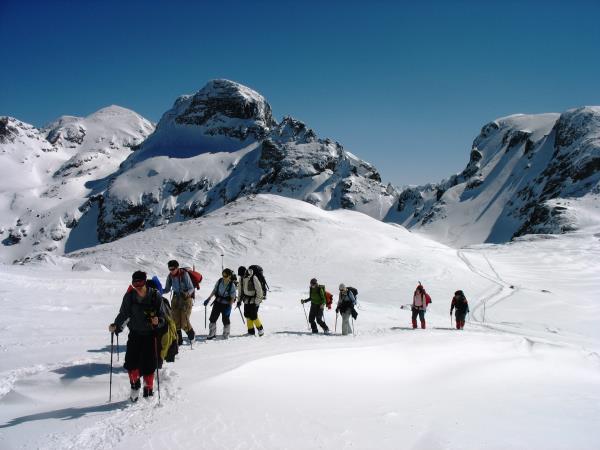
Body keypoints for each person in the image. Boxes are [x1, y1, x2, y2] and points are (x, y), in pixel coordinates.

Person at [108, 271, 166, 401]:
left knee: (149, 364)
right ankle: (135, 386)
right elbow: (123, 314)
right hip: (135, 334)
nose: (138, 285)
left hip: (150, 334)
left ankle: (148, 388)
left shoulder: (155, 296)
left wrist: (159, 321)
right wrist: (116, 326)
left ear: (145, 282)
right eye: (135, 283)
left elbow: (163, 317)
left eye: (140, 282)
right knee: (131, 363)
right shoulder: (129, 297)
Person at [164, 260, 195, 345]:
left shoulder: (184, 274)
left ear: (177, 267)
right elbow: (167, 289)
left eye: (173, 269)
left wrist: (187, 293)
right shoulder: (170, 276)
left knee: (184, 321)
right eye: (169, 269)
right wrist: (159, 291)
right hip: (175, 299)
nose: (171, 271)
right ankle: (179, 340)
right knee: (175, 321)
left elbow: (191, 288)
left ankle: (192, 336)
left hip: (186, 299)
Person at [203, 268, 237, 340]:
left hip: (226, 305)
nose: (224, 277)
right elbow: (215, 290)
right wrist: (208, 299)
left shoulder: (232, 285)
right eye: (223, 275)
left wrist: (229, 307)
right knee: (212, 318)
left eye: (225, 276)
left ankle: (226, 334)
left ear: (229, 276)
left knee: (225, 319)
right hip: (217, 303)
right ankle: (212, 333)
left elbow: (233, 297)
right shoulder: (219, 281)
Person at [238, 266, 265, 336]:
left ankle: (260, 330)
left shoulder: (253, 277)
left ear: (245, 272)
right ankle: (251, 332)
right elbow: (240, 290)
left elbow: (259, 291)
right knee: (247, 315)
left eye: (242, 275)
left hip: (254, 300)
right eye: (240, 275)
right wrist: (239, 301)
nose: (242, 276)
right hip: (246, 300)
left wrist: (257, 301)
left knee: (254, 316)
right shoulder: (241, 278)